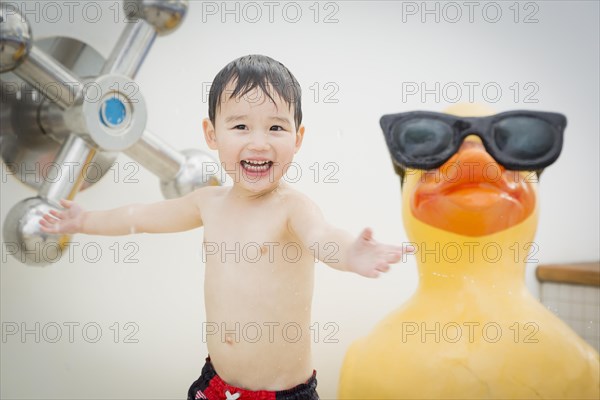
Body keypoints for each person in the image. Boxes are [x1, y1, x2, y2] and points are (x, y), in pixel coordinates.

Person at [39, 54, 412, 400]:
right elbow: (141, 217)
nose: (259, 142)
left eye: (276, 127)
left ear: (298, 139)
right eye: (240, 126)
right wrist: (85, 221)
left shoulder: (292, 208)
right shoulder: (209, 202)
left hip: (282, 393)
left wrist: (350, 254)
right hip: (216, 383)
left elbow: (323, 237)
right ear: (212, 134)